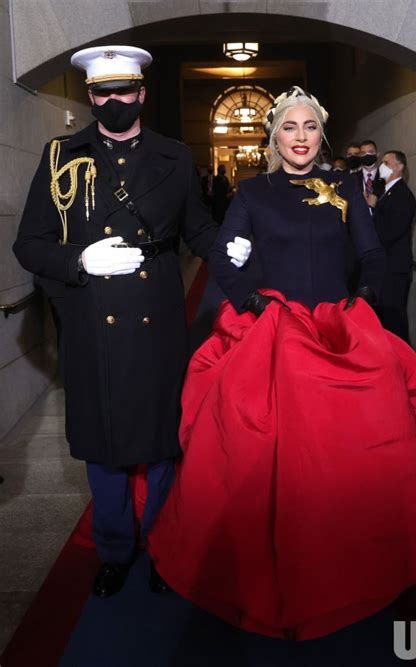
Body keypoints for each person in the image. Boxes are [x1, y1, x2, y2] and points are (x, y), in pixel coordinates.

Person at [148, 86, 416, 640]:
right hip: (276, 333)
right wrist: (250, 300)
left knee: (368, 448)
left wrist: (367, 299)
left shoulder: (343, 186)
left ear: (321, 135)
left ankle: (372, 562)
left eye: (309, 128)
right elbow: (221, 254)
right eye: (289, 128)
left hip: (339, 330)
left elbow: (371, 252)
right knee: (265, 455)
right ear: (274, 137)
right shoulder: (254, 191)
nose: (300, 138)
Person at [13, 45, 251, 598]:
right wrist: (78, 261)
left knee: (163, 438)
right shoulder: (60, 156)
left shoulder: (172, 155)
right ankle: (115, 550)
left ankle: (164, 546)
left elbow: (196, 228)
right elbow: (29, 243)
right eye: (102, 92)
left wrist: (228, 248)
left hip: (159, 314)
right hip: (93, 317)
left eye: (124, 90)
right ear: (91, 98)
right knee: (105, 442)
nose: (113, 100)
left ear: (142, 92)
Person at [374, 150, 416, 342]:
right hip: (386, 267)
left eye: (387, 162)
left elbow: (390, 232)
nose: (382, 166)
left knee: (394, 321)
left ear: (399, 167)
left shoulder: (402, 196)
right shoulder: (387, 193)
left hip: (394, 268)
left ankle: (402, 365)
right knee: (385, 321)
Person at [353, 139, 385, 212]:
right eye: (363, 153)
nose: (367, 155)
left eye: (370, 152)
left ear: (377, 154)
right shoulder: (352, 178)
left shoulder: (385, 177)